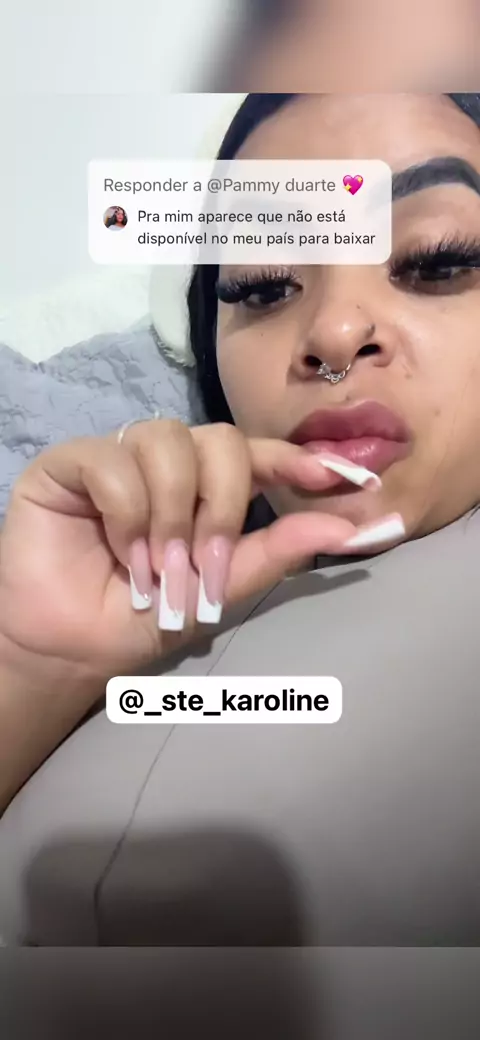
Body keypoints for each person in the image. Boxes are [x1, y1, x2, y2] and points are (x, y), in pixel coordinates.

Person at [1, 93, 480, 946]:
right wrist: (30, 667)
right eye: (262, 285)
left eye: (436, 261)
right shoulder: (138, 582)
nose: (334, 331)